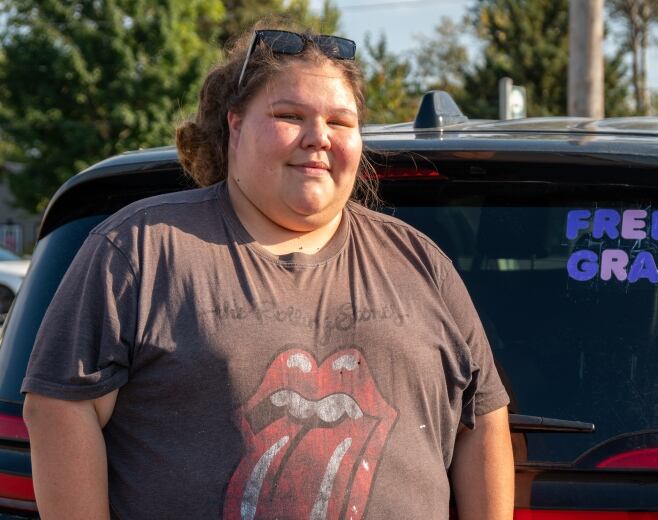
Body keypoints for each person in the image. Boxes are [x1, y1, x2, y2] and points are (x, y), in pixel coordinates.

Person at [22, 25, 513, 519]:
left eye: (340, 122)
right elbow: (60, 408)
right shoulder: (143, 248)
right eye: (289, 115)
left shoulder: (420, 262)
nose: (319, 137)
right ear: (234, 126)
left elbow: (484, 419)